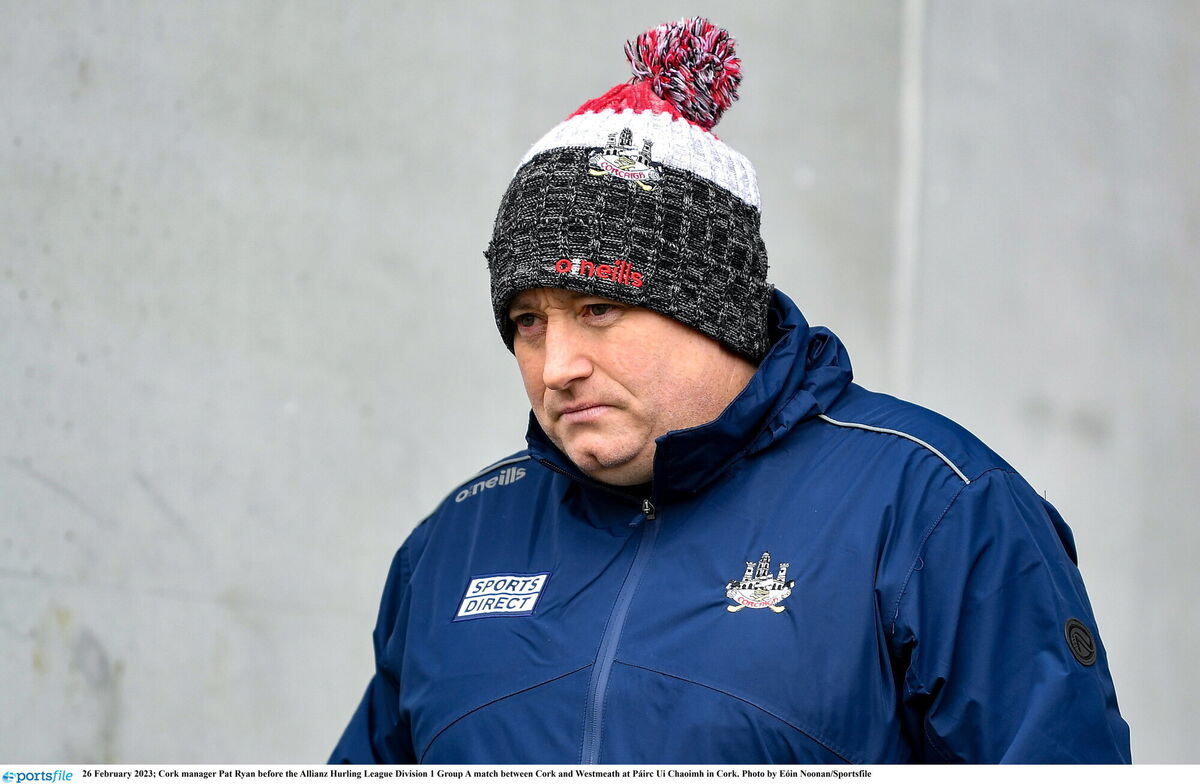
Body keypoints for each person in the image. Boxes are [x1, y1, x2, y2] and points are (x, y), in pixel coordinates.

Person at [330, 18, 1130, 764]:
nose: (555, 365)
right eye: (528, 321)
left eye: (598, 309)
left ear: (713, 310)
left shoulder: (935, 510)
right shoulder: (454, 543)